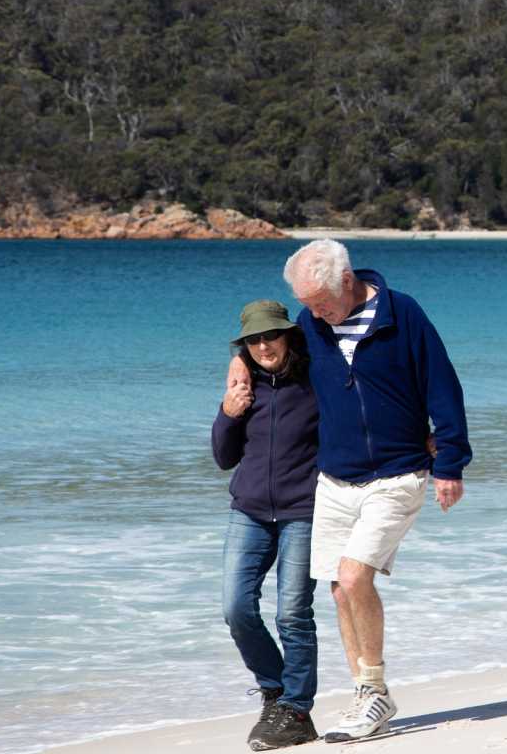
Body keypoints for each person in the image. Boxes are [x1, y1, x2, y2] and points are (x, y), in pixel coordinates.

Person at [284, 238, 472, 743]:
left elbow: (442, 385)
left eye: (320, 303)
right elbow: (283, 374)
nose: (316, 315)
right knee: (339, 587)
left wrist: (450, 460)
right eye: (307, 306)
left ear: (346, 281)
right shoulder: (310, 325)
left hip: (397, 473)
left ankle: (374, 691)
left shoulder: (401, 313)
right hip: (335, 479)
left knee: (355, 575)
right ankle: (367, 697)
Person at [211, 300, 321, 750]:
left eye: (270, 335)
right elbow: (223, 458)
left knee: (293, 614)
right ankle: (274, 691)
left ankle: (296, 710)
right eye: (252, 340)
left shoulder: (315, 379)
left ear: (288, 336)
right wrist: (228, 413)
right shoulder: (245, 387)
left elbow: (322, 325)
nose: (263, 346)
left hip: (304, 511)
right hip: (249, 512)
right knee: (235, 608)